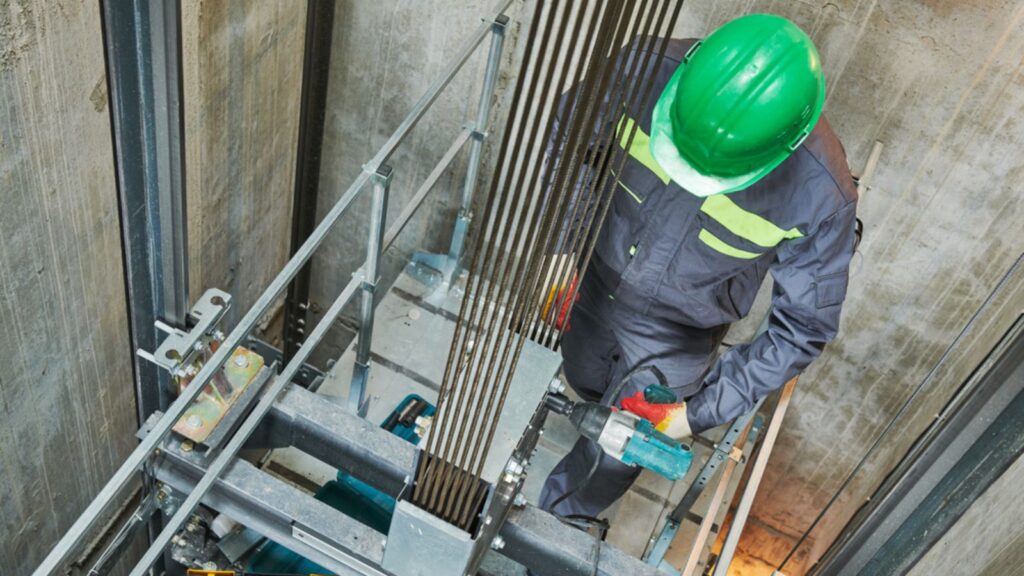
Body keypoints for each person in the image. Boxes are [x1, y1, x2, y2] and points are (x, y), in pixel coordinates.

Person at [539, 14, 859, 520]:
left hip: (678, 334)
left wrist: (698, 413)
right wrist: (560, 246)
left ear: (785, 146)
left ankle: (561, 518)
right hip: (595, 279)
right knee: (581, 373)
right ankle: (585, 406)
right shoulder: (642, 67)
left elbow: (802, 328)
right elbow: (567, 139)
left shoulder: (820, 194)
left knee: (620, 447)